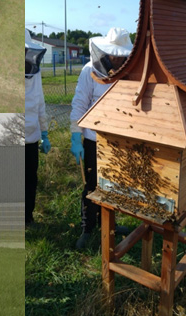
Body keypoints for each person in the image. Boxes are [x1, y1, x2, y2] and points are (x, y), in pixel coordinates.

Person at [70, 27, 133, 249]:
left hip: (116, 141)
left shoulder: (127, 71)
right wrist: (76, 136)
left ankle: (110, 225)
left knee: (114, 186)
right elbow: (79, 103)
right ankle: (88, 228)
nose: (117, 59)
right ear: (106, 51)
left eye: (122, 55)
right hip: (92, 140)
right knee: (91, 186)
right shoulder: (89, 70)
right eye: (114, 54)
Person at [25, 28, 51, 226]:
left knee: (29, 181)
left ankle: (27, 218)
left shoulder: (34, 71)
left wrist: (44, 132)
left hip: (31, 137)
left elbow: (40, 102)